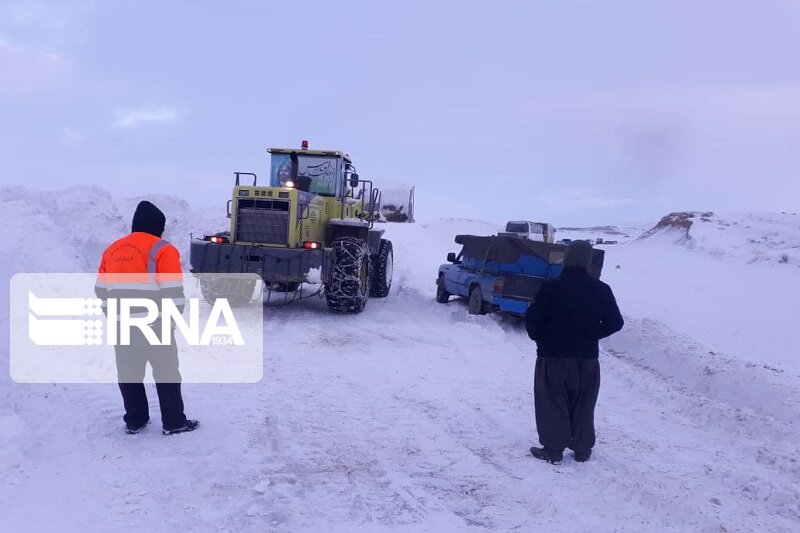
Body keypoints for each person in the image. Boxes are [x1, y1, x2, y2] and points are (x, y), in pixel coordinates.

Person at [95, 200, 199, 436]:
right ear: (157, 226)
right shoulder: (163, 249)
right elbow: (173, 290)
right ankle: (173, 422)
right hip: (155, 324)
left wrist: (113, 315)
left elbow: (101, 290)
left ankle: (135, 420)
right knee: (166, 372)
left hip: (122, 325)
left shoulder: (111, 250)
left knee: (129, 373)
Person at [525, 240, 623, 464]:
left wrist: (541, 338)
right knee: (584, 403)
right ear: (588, 262)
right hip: (587, 358)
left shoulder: (550, 288)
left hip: (552, 357)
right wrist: (591, 335)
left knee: (552, 401)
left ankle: (553, 450)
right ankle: (582, 449)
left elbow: (533, 320)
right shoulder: (601, 289)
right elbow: (616, 323)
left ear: (567, 259)